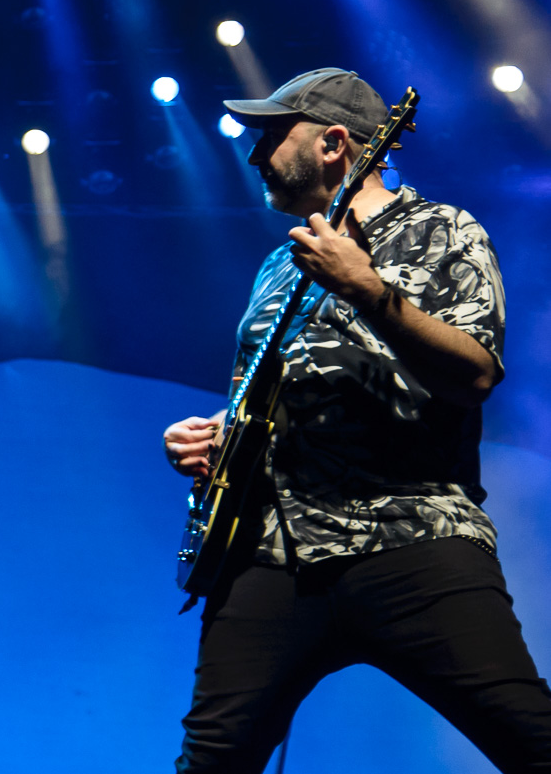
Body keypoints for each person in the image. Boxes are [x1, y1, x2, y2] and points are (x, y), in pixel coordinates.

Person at [162, 68, 551, 772]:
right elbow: (279, 387)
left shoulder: (444, 229)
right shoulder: (280, 264)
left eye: (272, 137)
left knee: (533, 740)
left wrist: (367, 287)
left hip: (411, 537)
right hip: (271, 554)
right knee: (210, 761)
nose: (254, 154)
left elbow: (475, 375)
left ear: (334, 143)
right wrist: (216, 432)